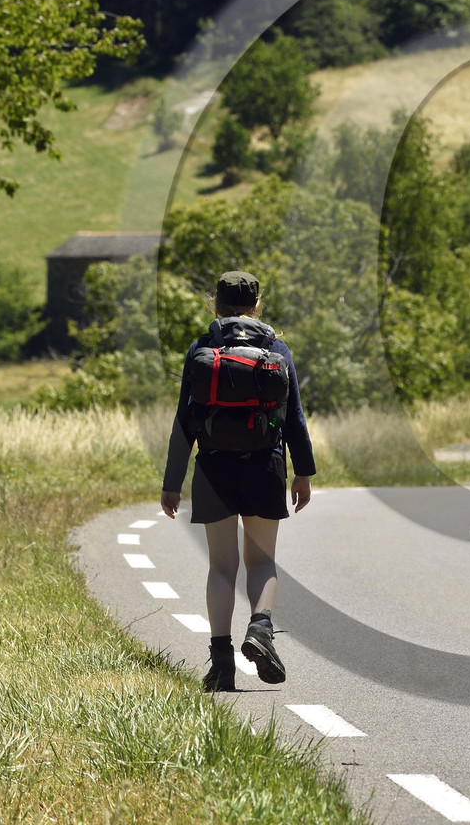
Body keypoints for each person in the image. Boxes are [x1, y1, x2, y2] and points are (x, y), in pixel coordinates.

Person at [159, 270, 315, 692]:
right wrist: (303, 472)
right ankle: (261, 629)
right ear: (257, 305)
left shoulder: (201, 349)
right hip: (265, 464)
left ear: (216, 304)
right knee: (262, 562)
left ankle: (222, 663)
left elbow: (184, 421)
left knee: (222, 565)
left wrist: (172, 482)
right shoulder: (276, 348)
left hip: (212, 466)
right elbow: (295, 419)